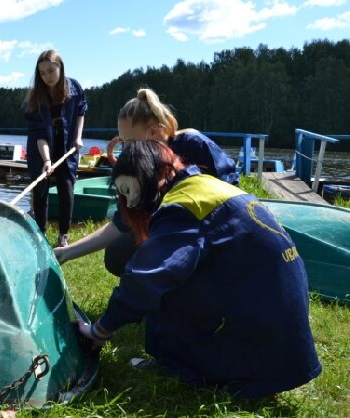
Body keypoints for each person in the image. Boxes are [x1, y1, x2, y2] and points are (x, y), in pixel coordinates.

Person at [78, 140, 322, 397]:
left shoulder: (181, 206)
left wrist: (100, 330)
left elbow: (146, 280)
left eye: (129, 189)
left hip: (259, 346)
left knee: (165, 286)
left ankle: (184, 369)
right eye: (123, 195)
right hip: (288, 340)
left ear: (152, 173)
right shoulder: (205, 185)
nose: (131, 201)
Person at [54, 88, 238, 273]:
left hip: (208, 227)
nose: (126, 150)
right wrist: (67, 252)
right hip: (166, 228)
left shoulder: (194, 144)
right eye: (123, 141)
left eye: (131, 141)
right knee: (116, 255)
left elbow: (231, 193)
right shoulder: (137, 165)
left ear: (154, 132)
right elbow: (122, 221)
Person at [24, 49, 87, 247]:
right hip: (41, 148)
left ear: (60, 67)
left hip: (67, 145)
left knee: (66, 187)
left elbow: (81, 110)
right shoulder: (35, 98)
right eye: (42, 73)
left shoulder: (74, 87)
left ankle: (63, 236)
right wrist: (47, 161)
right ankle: (40, 234)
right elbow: (39, 135)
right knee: (41, 188)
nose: (47, 77)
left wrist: (78, 137)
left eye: (51, 71)